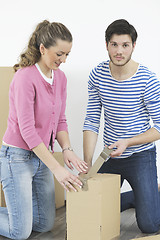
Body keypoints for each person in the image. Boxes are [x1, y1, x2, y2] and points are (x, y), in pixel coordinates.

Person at [0, 20, 88, 240]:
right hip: (17, 157)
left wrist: (66, 149)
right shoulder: (24, 78)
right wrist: (57, 169)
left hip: (40, 157)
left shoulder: (61, 78)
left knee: (45, 224)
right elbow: (28, 131)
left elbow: (60, 120)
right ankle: (17, 218)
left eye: (67, 54)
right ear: (42, 48)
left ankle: (19, 215)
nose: (64, 60)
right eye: (59, 53)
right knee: (19, 232)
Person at [83, 19, 160, 233]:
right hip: (110, 155)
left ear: (133, 46)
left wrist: (128, 141)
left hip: (140, 156)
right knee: (90, 212)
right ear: (106, 45)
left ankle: (148, 194)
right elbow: (91, 119)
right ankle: (141, 195)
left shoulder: (148, 80)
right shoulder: (97, 75)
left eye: (125, 45)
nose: (119, 51)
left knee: (149, 225)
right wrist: (89, 163)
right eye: (114, 44)